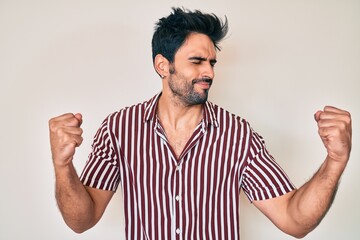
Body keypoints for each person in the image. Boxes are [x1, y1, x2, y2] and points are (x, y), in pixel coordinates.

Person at [49, 7, 352, 239]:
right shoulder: (119, 129)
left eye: (212, 62)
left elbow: (293, 219)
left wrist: (335, 161)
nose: (209, 72)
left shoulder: (237, 134)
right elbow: (81, 220)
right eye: (197, 61)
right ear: (162, 65)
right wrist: (63, 167)